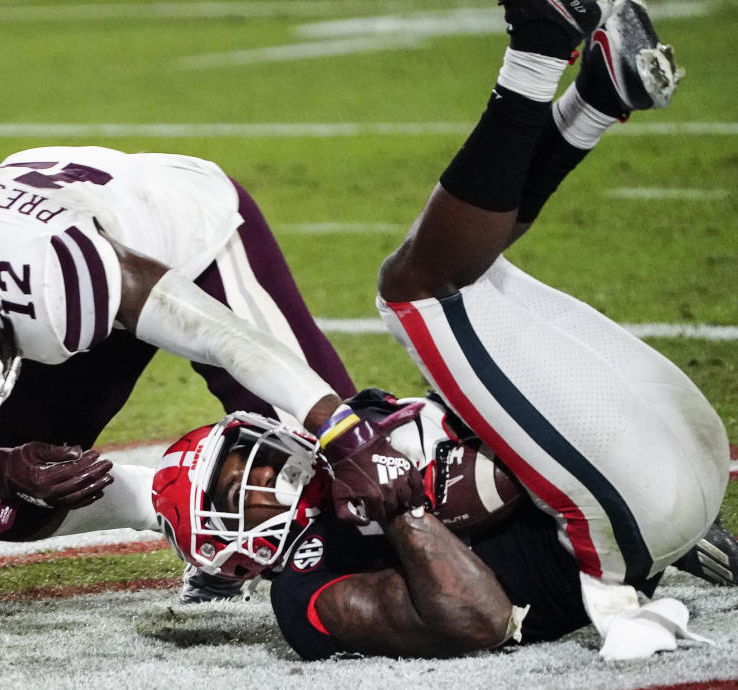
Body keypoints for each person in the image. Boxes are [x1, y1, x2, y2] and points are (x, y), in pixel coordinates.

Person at [152, 0, 735, 660]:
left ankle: (595, 98)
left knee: (457, 267)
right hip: (615, 527)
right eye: (234, 487)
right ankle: (541, 49)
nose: (258, 469)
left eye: (241, 454)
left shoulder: (359, 430)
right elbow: (478, 621)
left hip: (664, 466)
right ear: (230, 548)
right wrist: (400, 512)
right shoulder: (305, 593)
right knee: (410, 289)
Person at [0, 144, 361, 574]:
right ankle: (175, 505)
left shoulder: (57, 278)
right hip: (42, 257)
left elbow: (224, 336)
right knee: (21, 503)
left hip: (174, 228)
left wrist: (342, 428)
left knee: (332, 482)